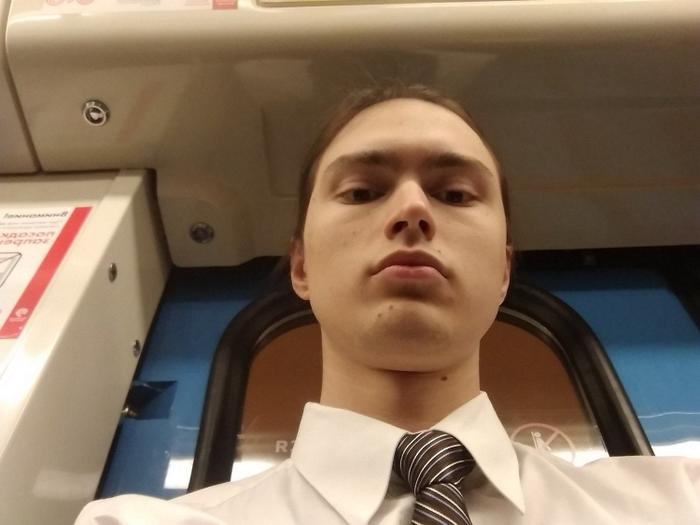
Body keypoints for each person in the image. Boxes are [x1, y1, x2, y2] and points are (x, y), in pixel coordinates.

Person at [75, 85, 700, 524]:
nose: (412, 209)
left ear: (505, 272)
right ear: (301, 267)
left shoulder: (678, 502)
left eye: (455, 194)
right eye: (362, 191)